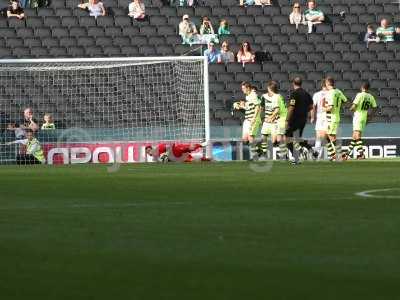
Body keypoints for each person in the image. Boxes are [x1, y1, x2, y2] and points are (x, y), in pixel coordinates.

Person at [285, 77, 317, 164]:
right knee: (297, 138)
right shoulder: (306, 94)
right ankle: (311, 149)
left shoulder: (294, 94)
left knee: (287, 138)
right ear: (301, 83)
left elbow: (291, 108)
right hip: (303, 119)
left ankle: (296, 158)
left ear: (293, 83)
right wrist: (310, 115)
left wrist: (287, 120)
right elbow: (311, 107)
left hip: (294, 119)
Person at [343, 83, 377, 160]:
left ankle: (361, 154)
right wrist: (370, 117)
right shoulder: (371, 96)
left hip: (358, 116)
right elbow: (375, 107)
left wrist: (350, 108)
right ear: (368, 88)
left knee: (357, 136)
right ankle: (347, 154)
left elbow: (354, 106)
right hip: (364, 117)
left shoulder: (360, 95)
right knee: (354, 136)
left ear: (362, 87)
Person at [232, 82, 262, 160]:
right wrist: (239, 106)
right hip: (247, 120)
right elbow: (249, 107)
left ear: (248, 88)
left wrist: (254, 118)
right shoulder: (248, 96)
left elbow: (257, 107)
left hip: (253, 119)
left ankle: (255, 156)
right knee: (245, 139)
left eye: (243, 88)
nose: (242, 90)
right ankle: (258, 150)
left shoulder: (253, 95)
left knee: (251, 137)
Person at [260, 81, 288, 160]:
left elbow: (277, 110)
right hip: (269, 120)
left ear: (268, 88)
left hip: (277, 120)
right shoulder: (264, 96)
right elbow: (261, 107)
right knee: (263, 136)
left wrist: (271, 118)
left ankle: (285, 153)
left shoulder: (277, 97)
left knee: (277, 139)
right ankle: (264, 153)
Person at [324, 77, 348, 161]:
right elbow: (345, 100)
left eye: (325, 83)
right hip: (335, 116)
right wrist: (338, 106)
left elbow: (330, 107)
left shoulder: (330, 93)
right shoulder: (338, 91)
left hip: (332, 118)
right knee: (325, 136)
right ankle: (334, 155)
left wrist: (323, 109)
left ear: (327, 83)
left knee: (331, 137)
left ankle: (341, 155)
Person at [311, 79, 329, 159]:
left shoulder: (316, 94)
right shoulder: (331, 93)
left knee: (318, 136)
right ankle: (330, 154)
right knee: (327, 136)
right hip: (328, 116)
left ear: (322, 86)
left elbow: (313, 106)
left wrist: (312, 117)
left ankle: (317, 154)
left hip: (320, 116)